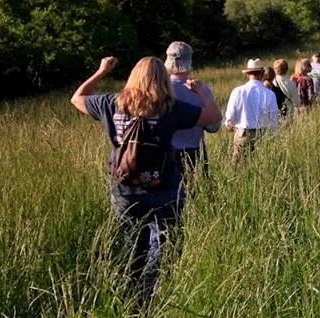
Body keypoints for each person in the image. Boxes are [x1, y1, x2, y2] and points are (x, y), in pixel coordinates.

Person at [71, 56, 222, 300]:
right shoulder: (169, 108)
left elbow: (76, 98)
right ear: (164, 80)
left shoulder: (111, 103)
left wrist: (101, 72)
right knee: (168, 241)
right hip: (164, 187)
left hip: (125, 188)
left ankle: (131, 295)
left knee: (131, 244)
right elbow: (213, 116)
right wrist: (202, 92)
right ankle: (159, 292)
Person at [164, 41, 221, 180]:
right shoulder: (202, 89)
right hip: (194, 153)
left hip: (164, 154)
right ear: (189, 61)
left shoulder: (159, 90)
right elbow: (214, 127)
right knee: (195, 196)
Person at [224, 58, 279, 162]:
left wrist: (229, 126)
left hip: (242, 134)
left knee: (238, 169)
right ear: (262, 74)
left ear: (247, 74)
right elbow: (273, 120)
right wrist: (274, 136)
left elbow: (230, 117)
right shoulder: (269, 94)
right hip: (263, 135)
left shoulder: (237, 92)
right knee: (262, 168)